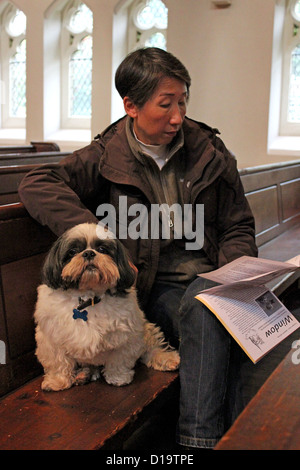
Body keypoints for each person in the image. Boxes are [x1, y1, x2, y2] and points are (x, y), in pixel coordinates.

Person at [19, 47, 258, 450]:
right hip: (153, 285)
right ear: (130, 105)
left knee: (215, 315)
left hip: (207, 276)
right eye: (165, 105)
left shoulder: (209, 152)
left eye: (183, 102)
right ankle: (203, 443)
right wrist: (100, 237)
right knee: (209, 321)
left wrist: (230, 271)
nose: (178, 116)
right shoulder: (106, 155)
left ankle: (206, 440)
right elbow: (37, 182)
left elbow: (237, 225)